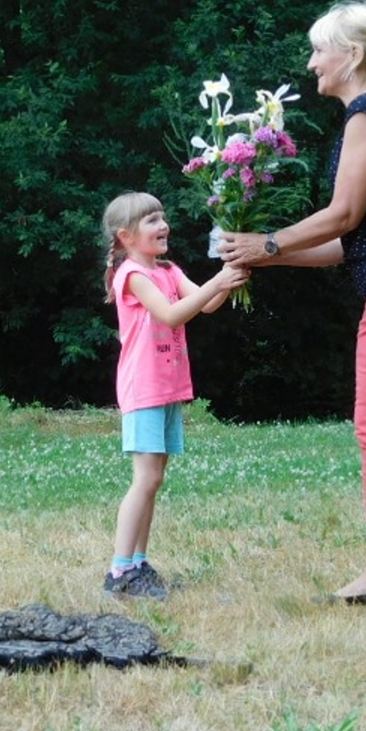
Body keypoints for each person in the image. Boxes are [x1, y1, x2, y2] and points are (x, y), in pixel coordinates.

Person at [218, 0, 366, 622]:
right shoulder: (365, 115)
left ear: (350, 56)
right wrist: (264, 257)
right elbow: (349, 241)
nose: (311, 63)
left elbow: (344, 215)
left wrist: (270, 242)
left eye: (318, 50)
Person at [101, 192, 248, 598]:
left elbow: (207, 305)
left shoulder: (167, 269)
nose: (163, 225)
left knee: (155, 480)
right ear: (126, 236)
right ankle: (118, 571)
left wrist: (230, 272)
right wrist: (218, 282)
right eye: (151, 220)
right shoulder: (133, 275)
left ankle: (138, 563)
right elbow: (171, 314)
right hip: (144, 388)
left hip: (167, 388)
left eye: (162, 217)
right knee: (145, 479)